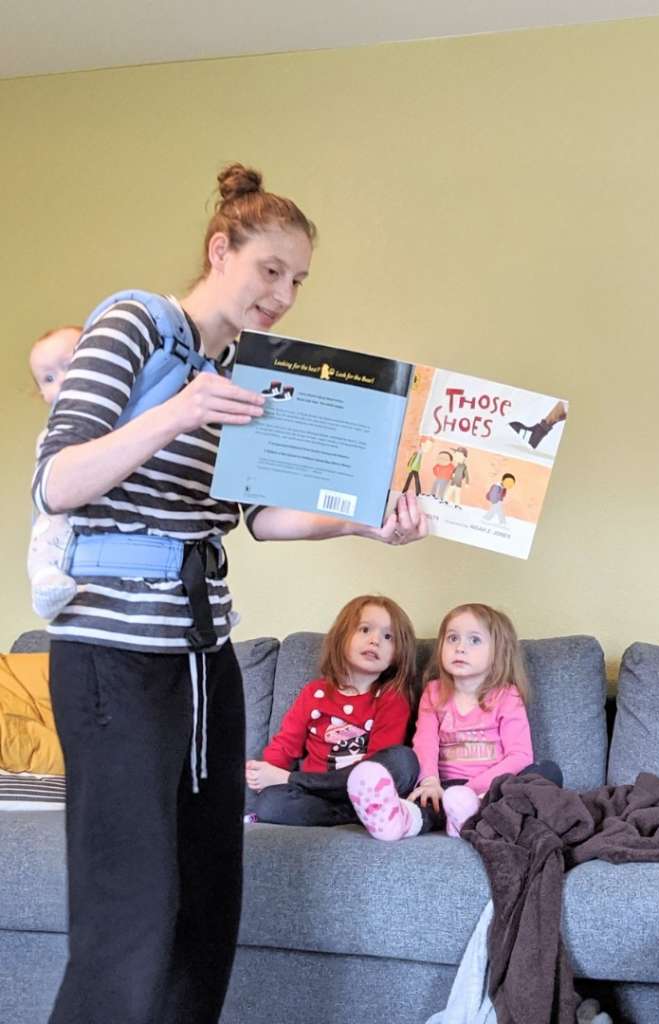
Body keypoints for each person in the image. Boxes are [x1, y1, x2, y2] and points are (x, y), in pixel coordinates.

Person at [33, 163, 426, 1024]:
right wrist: (177, 410)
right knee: (129, 909)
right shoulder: (134, 323)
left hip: (205, 654)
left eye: (298, 280)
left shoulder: (245, 371)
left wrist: (368, 524)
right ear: (222, 250)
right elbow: (57, 482)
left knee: (208, 902)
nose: (284, 295)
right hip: (115, 654)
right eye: (270, 270)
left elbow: (259, 518)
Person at [347, 602, 561, 841]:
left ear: (499, 652)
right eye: (452, 639)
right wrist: (429, 781)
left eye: (474, 640)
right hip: (444, 788)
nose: (460, 648)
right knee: (427, 805)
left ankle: (473, 814)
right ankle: (397, 819)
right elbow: (425, 743)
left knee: (546, 772)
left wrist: (471, 789)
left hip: (490, 790)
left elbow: (520, 756)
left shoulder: (507, 695)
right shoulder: (433, 692)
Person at [245, 595, 420, 826]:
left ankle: (366, 811)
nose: (375, 640)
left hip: (368, 794)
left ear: (398, 654)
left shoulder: (391, 698)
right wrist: (265, 771)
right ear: (341, 638)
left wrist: (289, 778)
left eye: (388, 637)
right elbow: (286, 745)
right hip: (317, 796)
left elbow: (379, 764)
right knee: (270, 804)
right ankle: (356, 818)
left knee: (403, 759)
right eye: (365, 629)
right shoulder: (314, 694)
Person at [26, 325, 81, 619]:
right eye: (48, 378)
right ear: (42, 394)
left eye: (70, 366)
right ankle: (44, 584)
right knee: (45, 541)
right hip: (61, 519)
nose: (61, 382)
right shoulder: (51, 434)